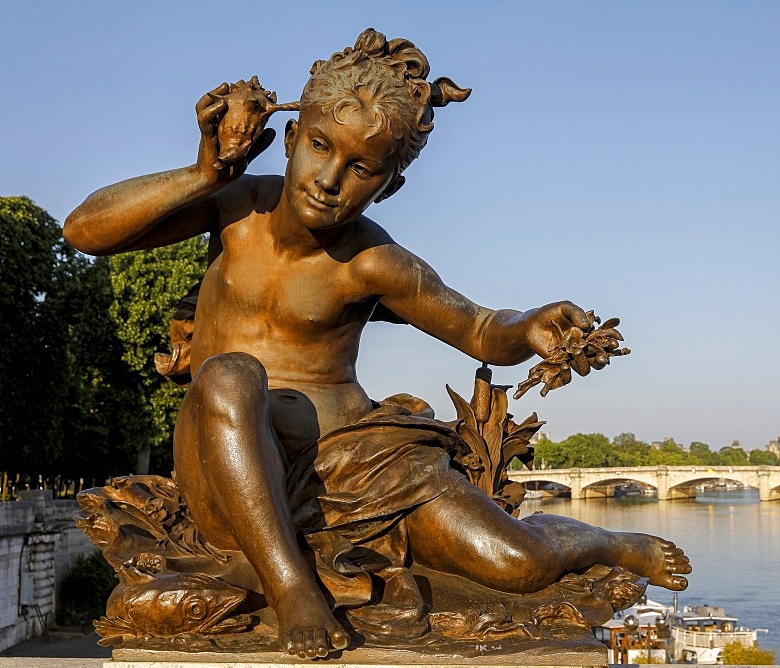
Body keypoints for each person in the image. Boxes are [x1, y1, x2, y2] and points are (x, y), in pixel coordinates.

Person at [64, 29, 691, 659]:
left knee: (515, 563)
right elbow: (85, 230)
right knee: (231, 374)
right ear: (288, 139)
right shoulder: (235, 207)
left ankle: (609, 542)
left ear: (387, 184)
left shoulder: (373, 262)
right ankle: (292, 587)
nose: (330, 178)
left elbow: (476, 328)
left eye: (362, 168)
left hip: (361, 466)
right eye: (319, 146)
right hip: (229, 466)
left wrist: (527, 324)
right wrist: (206, 171)